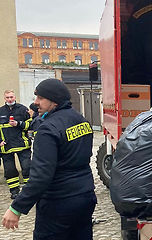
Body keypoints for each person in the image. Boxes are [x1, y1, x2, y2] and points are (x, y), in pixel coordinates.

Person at [2, 79, 97, 239]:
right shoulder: (81, 120)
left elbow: (41, 176)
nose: (36, 102)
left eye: (40, 98)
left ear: (54, 100)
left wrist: (16, 208)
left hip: (58, 203)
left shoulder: (47, 129)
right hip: (85, 197)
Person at [0, 90, 32, 199]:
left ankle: (29, 190)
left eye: (11, 97)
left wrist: (19, 123)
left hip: (22, 144)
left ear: (15, 97)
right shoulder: (0, 111)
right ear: (5, 98)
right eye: (7, 97)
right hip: (6, 146)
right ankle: (14, 191)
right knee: (9, 171)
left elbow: (30, 124)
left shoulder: (23, 109)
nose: (9, 99)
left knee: (27, 168)